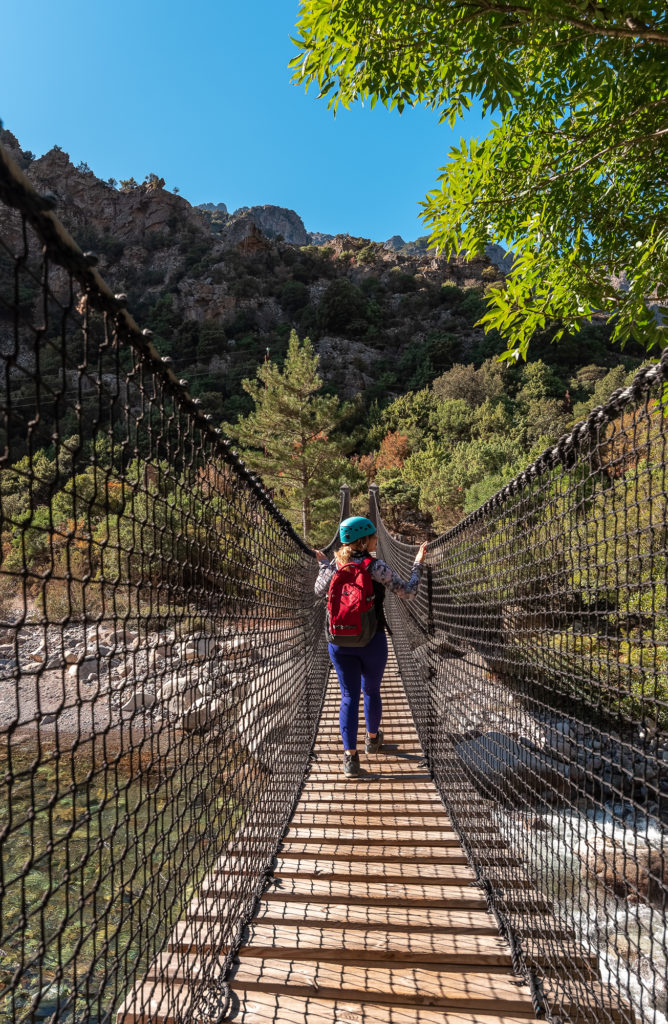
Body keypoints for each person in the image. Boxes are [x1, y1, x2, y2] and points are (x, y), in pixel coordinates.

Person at [314, 516, 428, 777]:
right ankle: (372, 739)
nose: (377, 539)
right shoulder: (377, 567)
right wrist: (418, 564)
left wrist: (323, 566)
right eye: (374, 536)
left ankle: (350, 759)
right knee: (372, 691)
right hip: (372, 640)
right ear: (363, 541)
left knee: (348, 697)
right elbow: (409, 592)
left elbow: (318, 591)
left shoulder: (334, 567)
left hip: (339, 643)